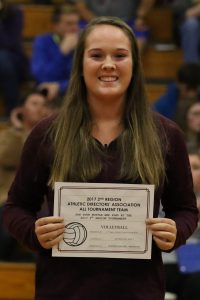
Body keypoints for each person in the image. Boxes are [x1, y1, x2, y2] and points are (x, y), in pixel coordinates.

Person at [3, 16, 198, 300]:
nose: (108, 64)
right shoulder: (47, 133)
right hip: (62, 291)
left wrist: (176, 231)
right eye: (96, 55)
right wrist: (33, 232)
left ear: (135, 64)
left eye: (120, 55)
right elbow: (16, 207)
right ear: (81, 65)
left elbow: (186, 210)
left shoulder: (167, 135)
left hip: (138, 291)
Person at [0, 87, 49, 261]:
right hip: (8, 200)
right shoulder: (8, 135)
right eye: (34, 103)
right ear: (22, 110)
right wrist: (20, 130)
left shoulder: (54, 138)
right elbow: (7, 157)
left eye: (43, 105)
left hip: (44, 203)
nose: (40, 109)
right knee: (7, 232)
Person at [163, 145, 200, 300]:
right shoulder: (164, 197)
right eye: (187, 167)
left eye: (196, 167)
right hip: (168, 261)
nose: (190, 172)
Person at [31, 5, 80, 101]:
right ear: (55, 26)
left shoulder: (83, 44)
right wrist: (62, 53)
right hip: (48, 93)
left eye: (76, 23)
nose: (75, 28)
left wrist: (60, 86)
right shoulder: (42, 42)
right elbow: (42, 77)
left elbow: (86, 80)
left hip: (75, 93)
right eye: (69, 24)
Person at [70, 0, 155, 52]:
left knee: (140, 34)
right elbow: (80, 5)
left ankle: (130, 72)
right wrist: (99, 23)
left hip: (127, 21)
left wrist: (140, 15)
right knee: (76, 34)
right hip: (93, 20)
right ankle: (81, 73)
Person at [0, 0, 29, 117]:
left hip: (14, 60)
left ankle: (12, 109)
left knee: (2, 57)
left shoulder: (15, 13)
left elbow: (9, 43)